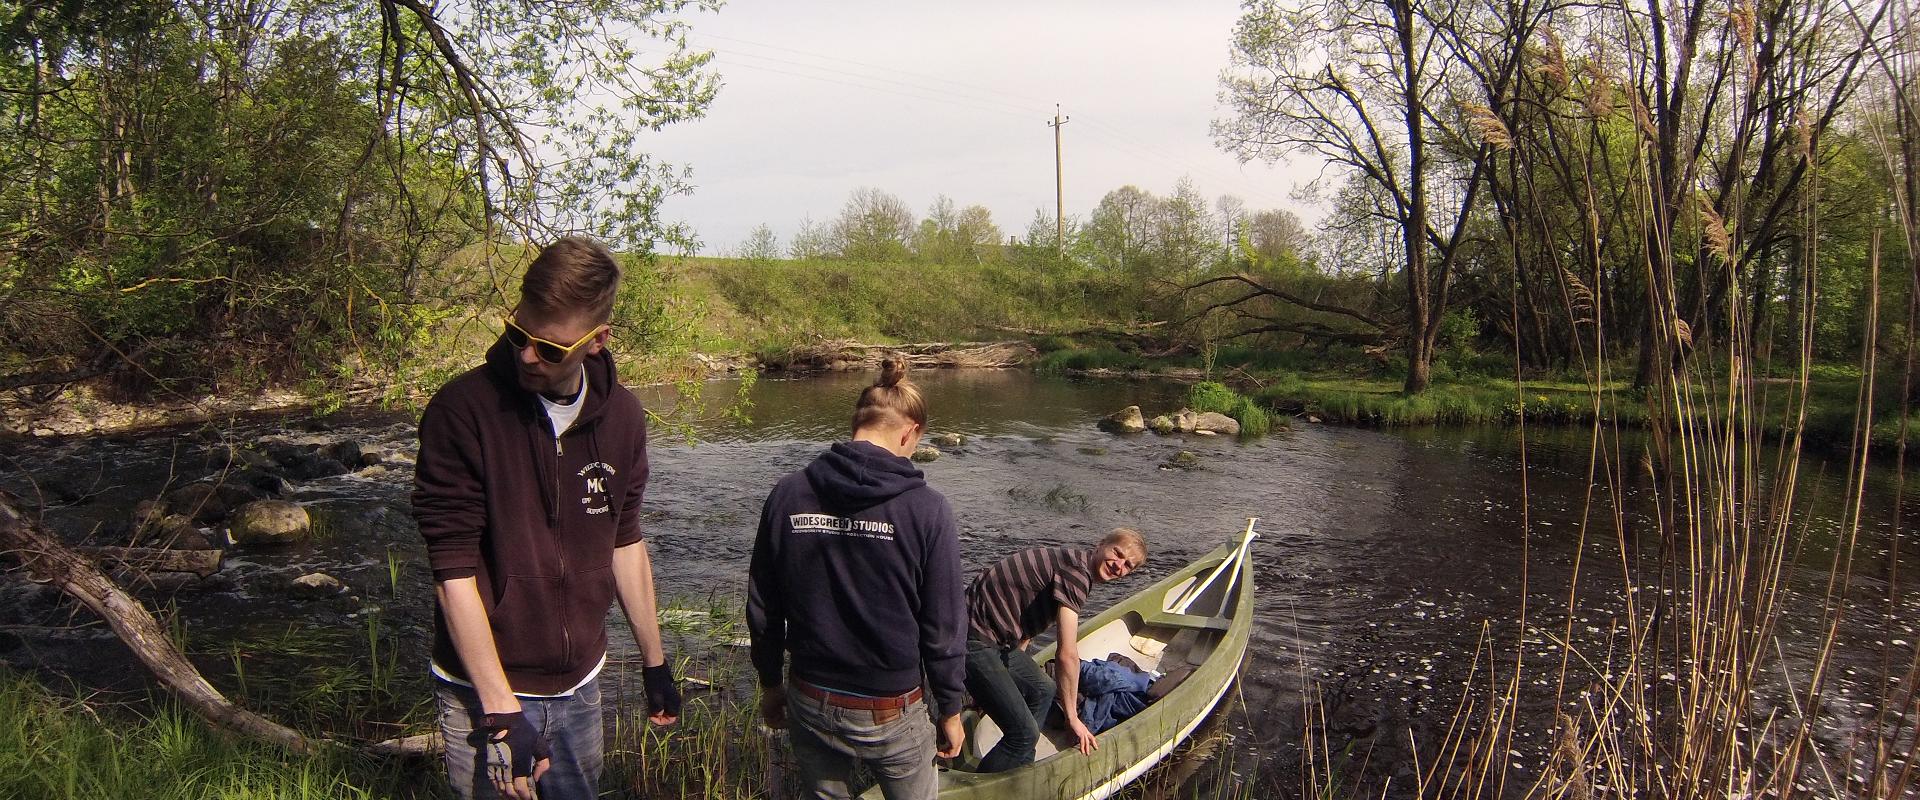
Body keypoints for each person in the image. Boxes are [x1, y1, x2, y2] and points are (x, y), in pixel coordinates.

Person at [413, 237, 681, 800]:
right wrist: (500, 710)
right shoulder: (462, 413)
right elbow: (452, 570)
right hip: (482, 686)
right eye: (519, 336)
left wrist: (654, 663)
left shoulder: (625, 417)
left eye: (552, 349)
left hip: (580, 683)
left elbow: (624, 542)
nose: (529, 357)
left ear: (598, 341)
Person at [747, 357, 967, 800]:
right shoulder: (928, 509)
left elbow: (762, 605)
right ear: (910, 433)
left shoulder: (789, 493)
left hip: (810, 695)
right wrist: (951, 708)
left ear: (857, 423)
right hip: (891, 705)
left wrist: (770, 682)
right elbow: (943, 626)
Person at [963, 528, 1147, 772]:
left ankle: (1019, 765)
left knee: (1044, 688)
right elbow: (1067, 655)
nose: (1118, 566)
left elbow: (1026, 625)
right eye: (1117, 553)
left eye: (1128, 566)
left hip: (994, 639)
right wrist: (1073, 719)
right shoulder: (1077, 575)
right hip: (971, 637)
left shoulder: (1071, 562)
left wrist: (999, 686)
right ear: (1101, 543)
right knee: (1024, 733)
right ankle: (987, 787)